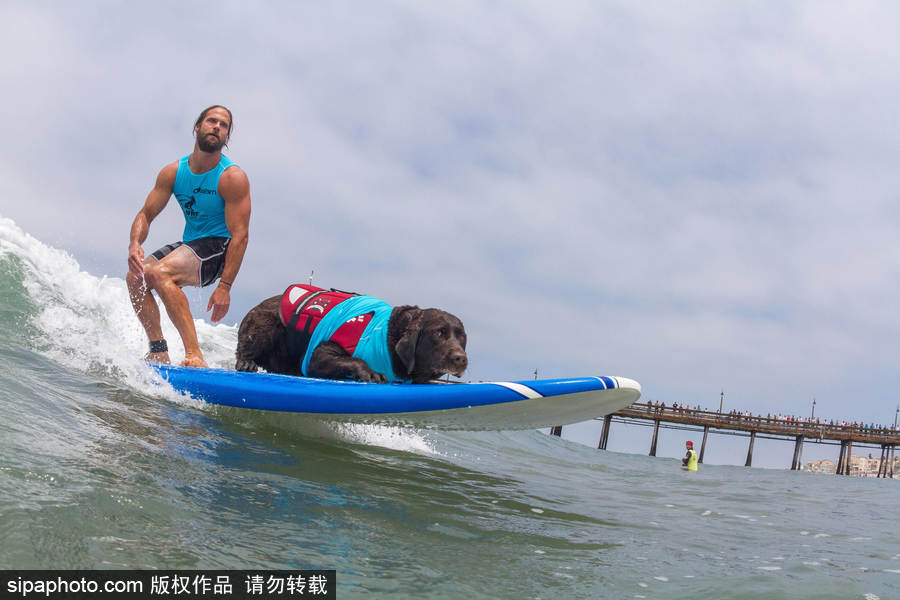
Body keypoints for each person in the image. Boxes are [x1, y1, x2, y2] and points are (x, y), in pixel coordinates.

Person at [127, 105, 251, 368]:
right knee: (136, 276)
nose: (217, 127)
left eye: (224, 125)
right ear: (197, 126)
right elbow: (145, 214)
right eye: (211, 121)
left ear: (227, 137)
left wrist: (225, 287)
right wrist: (135, 244)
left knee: (160, 273)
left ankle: (195, 355)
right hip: (190, 244)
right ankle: (158, 350)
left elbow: (240, 236)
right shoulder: (173, 172)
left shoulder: (232, 177)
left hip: (220, 248)